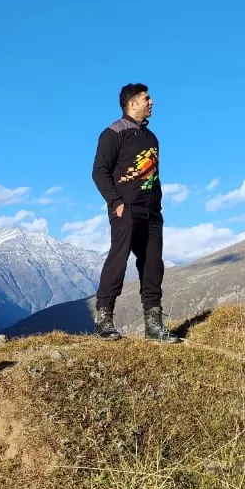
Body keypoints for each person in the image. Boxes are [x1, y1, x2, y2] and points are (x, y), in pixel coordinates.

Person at [90, 83, 180, 343]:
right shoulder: (113, 133)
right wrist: (116, 202)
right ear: (132, 104)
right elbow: (99, 171)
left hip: (152, 212)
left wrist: (158, 206)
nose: (151, 102)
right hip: (126, 210)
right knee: (118, 260)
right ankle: (104, 319)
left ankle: (154, 326)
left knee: (153, 265)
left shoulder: (151, 138)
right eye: (146, 98)